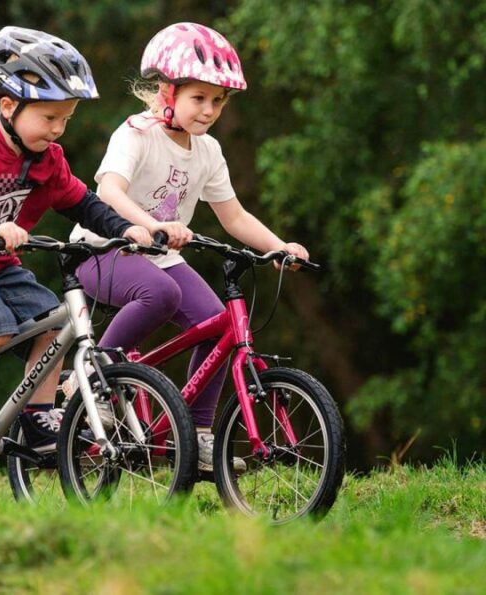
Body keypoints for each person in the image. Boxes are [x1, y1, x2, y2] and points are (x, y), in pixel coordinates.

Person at [0, 26, 153, 463]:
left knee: (54, 322)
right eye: (48, 118)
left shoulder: (48, 160)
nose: (58, 130)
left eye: (65, 120)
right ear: (8, 105)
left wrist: (124, 229)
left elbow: (82, 203)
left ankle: (38, 415)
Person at [69, 22, 310, 472]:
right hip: (101, 250)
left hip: (159, 254)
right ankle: (95, 376)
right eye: (199, 98)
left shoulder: (208, 151)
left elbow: (233, 216)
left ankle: (197, 434)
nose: (209, 110)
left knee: (219, 324)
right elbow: (109, 194)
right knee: (162, 294)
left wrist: (280, 247)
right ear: (167, 93)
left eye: (218, 101)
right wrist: (152, 227)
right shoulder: (135, 134)